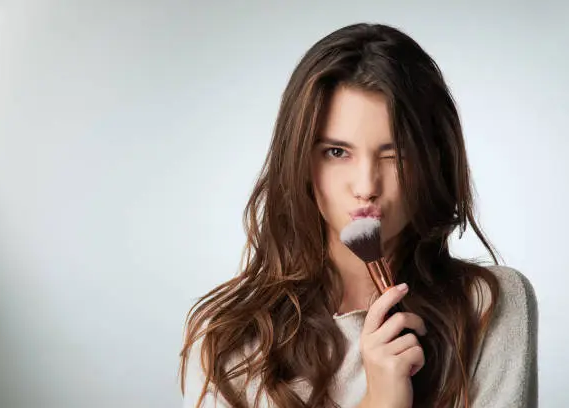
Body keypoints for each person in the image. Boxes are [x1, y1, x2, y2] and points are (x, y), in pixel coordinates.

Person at [178, 23, 538, 408]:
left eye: (395, 154)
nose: (366, 185)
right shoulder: (229, 338)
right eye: (337, 152)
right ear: (299, 161)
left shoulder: (490, 307)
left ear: (433, 160)